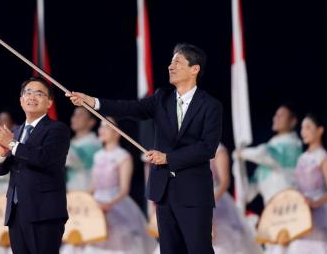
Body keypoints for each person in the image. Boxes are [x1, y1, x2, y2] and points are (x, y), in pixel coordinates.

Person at [68, 43, 222, 254]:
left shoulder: (210, 105)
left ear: (194, 69)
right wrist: (92, 102)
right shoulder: (161, 98)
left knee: (199, 249)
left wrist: (168, 157)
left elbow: (207, 148)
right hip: (164, 191)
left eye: (177, 62)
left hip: (194, 192)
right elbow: (128, 107)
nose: (171, 66)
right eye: (170, 62)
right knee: (169, 250)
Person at [0, 77, 70, 254]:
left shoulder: (57, 129)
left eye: (39, 93)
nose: (32, 97)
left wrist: (11, 145)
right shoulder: (16, 132)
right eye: (28, 92)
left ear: (49, 102)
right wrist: (2, 154)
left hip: (44, 213)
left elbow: (44, 158)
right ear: (21, 100)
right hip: (16, 212)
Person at [63, 116, 156, 254]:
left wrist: (109, 205)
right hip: (97, 203)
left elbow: (124, 189)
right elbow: (93, 186)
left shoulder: (123, 156)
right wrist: (79, 199)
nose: (101, 130)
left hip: (116, 203)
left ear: (117, 133)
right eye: (101, 126)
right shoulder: (98, 155)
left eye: (106, 126)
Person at [266, 114, 327, 254]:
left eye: (308, 128)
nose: (303, 132)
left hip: (319, 210)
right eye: (302, 128)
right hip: (300, 210)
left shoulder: (323, 157)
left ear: (320, 130)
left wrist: (315, 203)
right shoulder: (301, 157)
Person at [235, 104, 303, 204]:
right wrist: (239, 167)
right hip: (271, 209)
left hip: (290, 205)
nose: (276, 118)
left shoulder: (293, 145)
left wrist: (243, 153)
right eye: (276, 115)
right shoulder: (272, 145)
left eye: (281, 115)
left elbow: (266, 155)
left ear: (292, 121)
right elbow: (249, 192)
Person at [210, 144, 262, 254]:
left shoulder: (217, 148)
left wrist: (207, 204)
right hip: (192, 202)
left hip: (215, 200)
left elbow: (224, 182)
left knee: (221, 245)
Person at [65, 107, 102, 191]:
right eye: (74, 115)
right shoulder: (71, 142)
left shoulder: (95, 143)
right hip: (71, 191)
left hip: (89, 192)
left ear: (91, 122)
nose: (75, 118)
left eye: (80, 115)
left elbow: (76, 160)